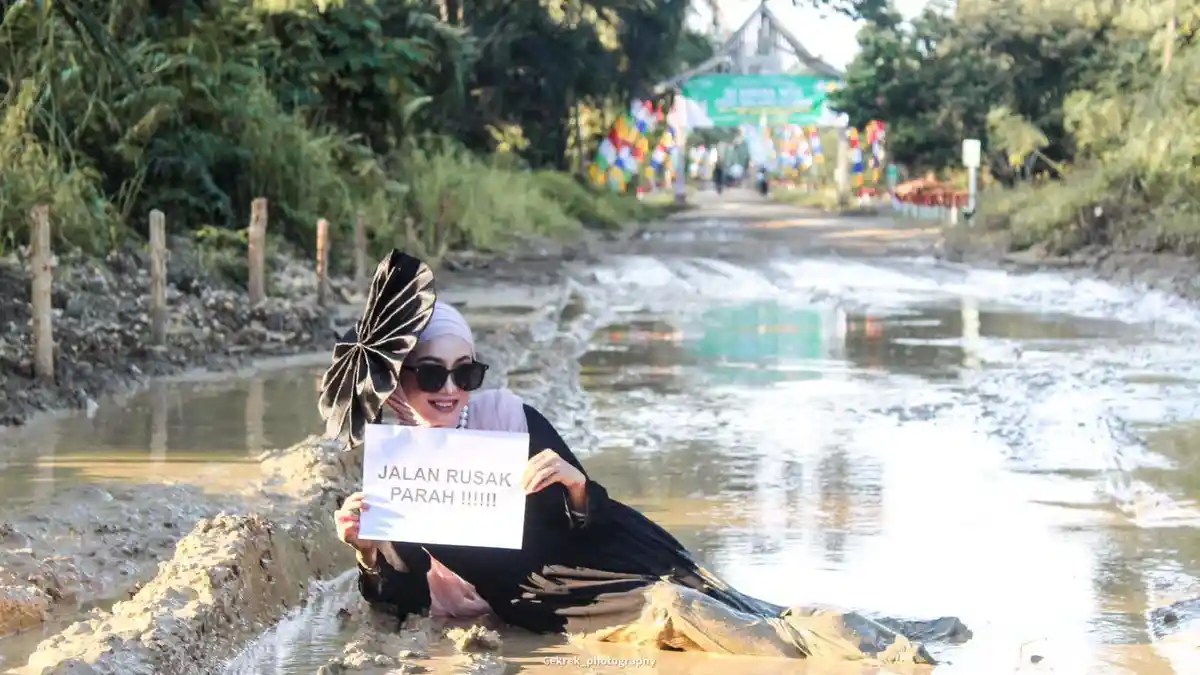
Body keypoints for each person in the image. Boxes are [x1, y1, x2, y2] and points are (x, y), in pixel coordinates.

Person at [324, 251, 965, 664]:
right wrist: (367, 546)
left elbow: (592, 518)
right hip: (551, 607)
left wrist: (575, 488)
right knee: (687, 622)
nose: (450, 390)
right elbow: (400, 604)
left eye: (466, 372)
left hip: (613, 559)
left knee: (728, 617)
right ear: (396, 381)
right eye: (430, 374)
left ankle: (886, 649)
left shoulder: (507, 419)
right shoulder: (399, 466)